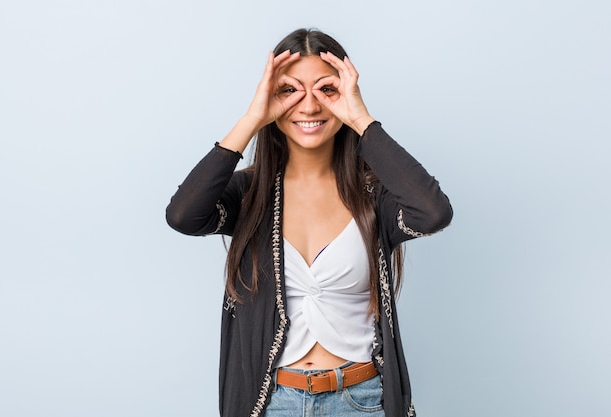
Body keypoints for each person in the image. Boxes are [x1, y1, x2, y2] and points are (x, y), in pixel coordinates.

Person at [166, 28, 452, 417]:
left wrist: (361, 119)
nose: (309, 105)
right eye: (290, 91)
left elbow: (432, 212)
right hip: (271, 403)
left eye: (326, 90)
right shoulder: (250, 193)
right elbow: (183, 215)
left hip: (363, 400)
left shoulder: (374, 196)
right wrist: (252, 118)